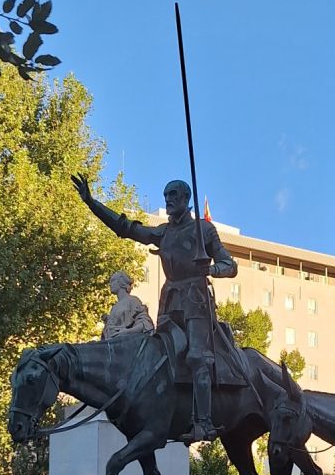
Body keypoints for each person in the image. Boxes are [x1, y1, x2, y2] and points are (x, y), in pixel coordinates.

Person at [72, 175, 237, 441]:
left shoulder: (204, 230)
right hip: (170, 302)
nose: (168, 200)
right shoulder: (164, 232)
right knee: (155, 355)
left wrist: (212, 269)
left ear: (185, 199)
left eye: (173, 195)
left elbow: (231, 265)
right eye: (166, 196)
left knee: (198, 357)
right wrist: (92, 203)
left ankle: (204, 423)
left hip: (196, 301)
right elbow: (126, 228)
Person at [101, 271, 155, 340]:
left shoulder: (133, 301)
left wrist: (127, 332)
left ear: (121, 283)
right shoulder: (114, 307)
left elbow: (145, 323)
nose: (110, 284)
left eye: (113, 281)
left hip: (125, 341)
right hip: (112, 342)